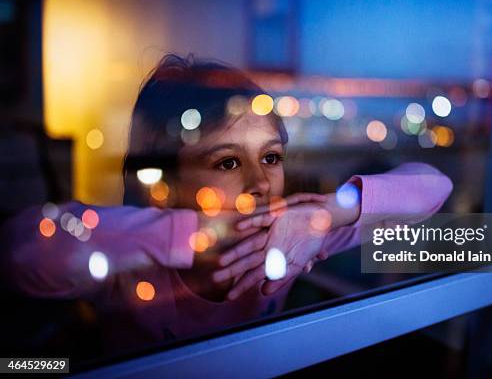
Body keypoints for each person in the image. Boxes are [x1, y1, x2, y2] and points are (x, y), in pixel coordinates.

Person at [1, 54, 453, 353]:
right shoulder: (129, 262)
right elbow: (16, 254)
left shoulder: (292, 236)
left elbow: (433, 187)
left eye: (271, 157)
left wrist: (328, 212)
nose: (260, 182)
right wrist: (189, 235)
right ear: (168, 180)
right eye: (227, 162)